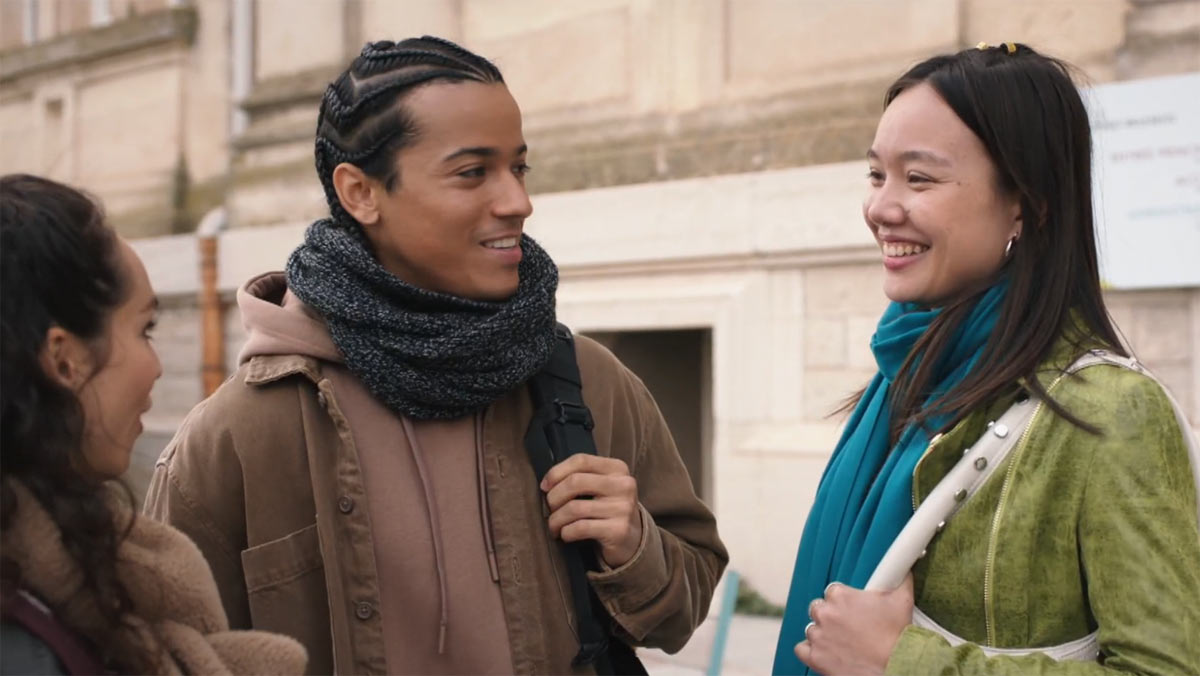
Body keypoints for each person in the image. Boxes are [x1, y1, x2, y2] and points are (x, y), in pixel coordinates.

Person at [144, 36, 727, 675]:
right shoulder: (236, 435)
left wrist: (634, 546)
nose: (518, 202)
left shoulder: (589, 382)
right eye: (473, 172)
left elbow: (684, 607)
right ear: (361, 192)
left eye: (519, 168)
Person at [771, 43, 1200, 675]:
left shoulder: (1111, 413)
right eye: (877, 174)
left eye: (919, 178)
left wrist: (904, 663)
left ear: (1027, 202)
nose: (881, 208)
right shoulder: (901, 381)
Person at [0, 174, 306, 675]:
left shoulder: (76, 581)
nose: (157, 366)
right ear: (64, 360)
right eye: (146, 329)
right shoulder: (26, 643)